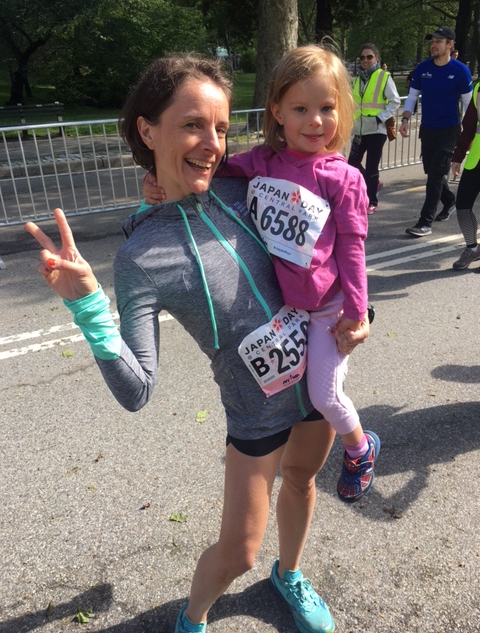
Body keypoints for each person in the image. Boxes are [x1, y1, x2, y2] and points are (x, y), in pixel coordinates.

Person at [25, 54, 370, 633]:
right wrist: (87, 305)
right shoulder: (141, 255)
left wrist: (358, 316)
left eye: (221, 128)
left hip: (316, 382)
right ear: (148, 130)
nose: (212, 144)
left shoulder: (249, 186)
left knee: (303, 481)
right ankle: (193, 617)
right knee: (238, 552)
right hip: (256, 414)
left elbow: (337, 242)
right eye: (191, 125)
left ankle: (289, 573)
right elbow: (136, 391)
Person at [145, 45, 380, 506]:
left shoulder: (343, 178)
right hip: (284, 307)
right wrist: (157, 182)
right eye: (301, 109)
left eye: (327, 108)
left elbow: (353, 248)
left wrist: (356, 312)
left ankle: (360, 449)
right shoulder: (263, 161)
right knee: (287, 396)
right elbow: (208, 171)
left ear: (342, 111)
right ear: (277, 111)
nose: (315, 121)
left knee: (325, 397)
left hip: (328, 311)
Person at [400, 26, 473, 237]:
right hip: (428, 129)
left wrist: (468, 133)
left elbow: (468, 105)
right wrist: (405, 119)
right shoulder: (423, 69)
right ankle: (450, 201)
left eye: (438, 41)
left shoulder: (460, 71)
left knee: (435, 176)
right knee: (432, 171)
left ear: (450, 45)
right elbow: (412, 96)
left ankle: (425, 222)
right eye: (432, 41)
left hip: (449, 130)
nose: (433, 45)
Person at [347, 43, 400, 214]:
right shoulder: (357, 79)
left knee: (371, 167)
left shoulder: (384, 76)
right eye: (362, 57)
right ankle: (373, 184)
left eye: (369, 57)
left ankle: (372, 202)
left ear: (376, 58)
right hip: (359, 130)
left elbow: (395, 101)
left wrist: (380, 118)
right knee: (352, 163)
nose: (365, 60)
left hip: (376, 130)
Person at [450, 81, 480, 270]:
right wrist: (458, 156)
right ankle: (472, 248)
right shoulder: (478, 88)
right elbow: (469, 126)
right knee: (462, 206)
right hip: (476, 158)